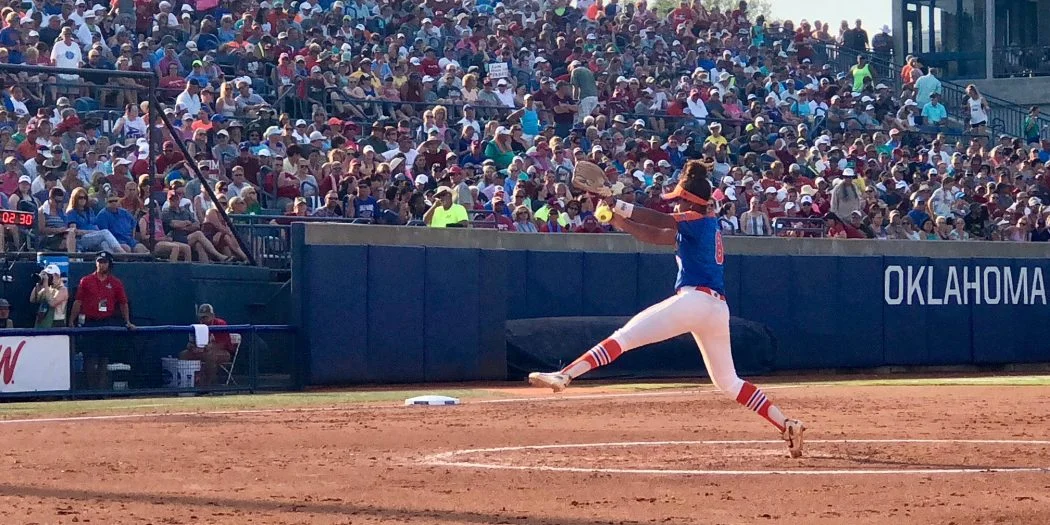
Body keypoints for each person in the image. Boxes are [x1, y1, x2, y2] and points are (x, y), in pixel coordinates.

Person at [527, 160, 806, 458]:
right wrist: (618, 220)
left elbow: (660, 220)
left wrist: (617, 203)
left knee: (625, 336)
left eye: (680, 199)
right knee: (728, 381)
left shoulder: (697, 220)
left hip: (695, 301)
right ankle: (786, 424)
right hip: (715, 308)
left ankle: (565, 374)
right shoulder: (700, 225)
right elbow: (654, 235)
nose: (676, 204)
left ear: (691, 201)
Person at [69, 252, 134, 389]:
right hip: (90, 322)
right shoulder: (86, 280)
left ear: (109, 264)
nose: (101, 264)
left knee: (104, 358)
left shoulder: (115, 283)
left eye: (104, 262)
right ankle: (90, 390)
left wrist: (127, 321)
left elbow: (123, 303)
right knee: (89, 357)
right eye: (99, 261)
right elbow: (78, 301)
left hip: (106, 323)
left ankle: (101, 390)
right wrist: (71, 320)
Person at [178, 304, 236, 386]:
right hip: (203, 351)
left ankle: (206, 387)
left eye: (205, 317)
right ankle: (186, 385)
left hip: (224, 353)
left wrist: (207, 348)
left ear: (212, 316)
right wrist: (191, 347)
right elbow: (192, 343)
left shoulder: (220, 323)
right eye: (201, 317)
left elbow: (223, 344)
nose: (202, 319)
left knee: (210, 356)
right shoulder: (198, 326)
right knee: (183, 354)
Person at [29, 264, 67, 328]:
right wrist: (39, 283)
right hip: (42, 322)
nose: (48, 278)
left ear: (57, 276)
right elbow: (32, 299)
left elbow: (52, 303)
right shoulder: (46, 289)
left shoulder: (63, 290)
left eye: (50, 275)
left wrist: (46, 285)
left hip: (55, 324)